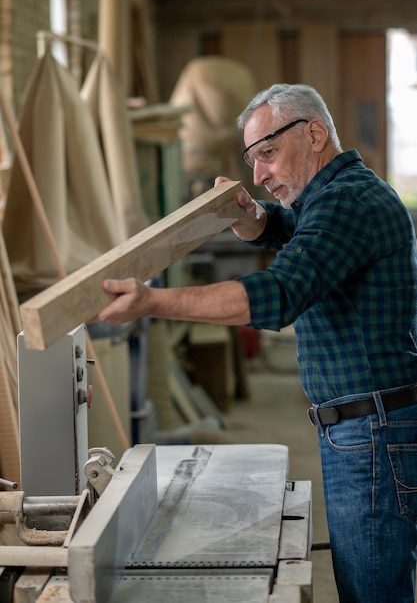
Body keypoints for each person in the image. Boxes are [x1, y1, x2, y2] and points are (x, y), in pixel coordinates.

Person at [97, 83, 417, 603]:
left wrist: (152, 301)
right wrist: (252, 219)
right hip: (368, 425)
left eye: (267, 153)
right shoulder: (334, 197)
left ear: (314, 133)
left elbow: (279, 294)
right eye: (252, 161)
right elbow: (290, 226)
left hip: (372, 434)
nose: (260, 175)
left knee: (372, 594)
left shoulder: (347, 202)